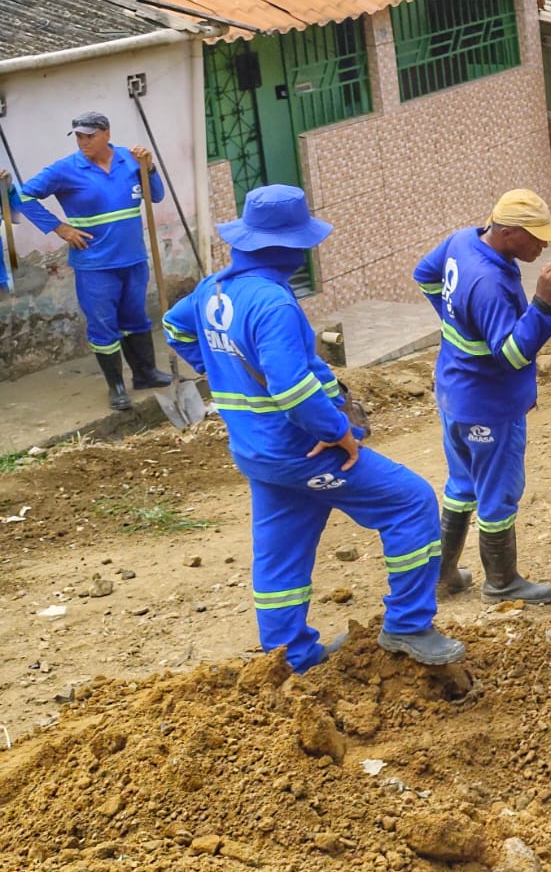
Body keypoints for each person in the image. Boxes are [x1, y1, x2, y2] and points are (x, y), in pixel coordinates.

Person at [164, 185, 464, 670]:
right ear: (286, 248)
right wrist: (336, 431)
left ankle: (289, 656)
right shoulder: (274, 305)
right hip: (302, 448)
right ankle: (408, 625)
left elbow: (174, 327)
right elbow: (291, 389)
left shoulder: (213, 289)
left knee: (280, 554)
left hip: (257, 452)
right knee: (411, 502)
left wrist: (220, 372)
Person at [414, 190, 551, 605]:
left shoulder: (462, 240)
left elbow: (424, 275)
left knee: (462, 483)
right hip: (487, 403)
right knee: (498, 490)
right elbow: (511, 354)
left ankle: (442, 575)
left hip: (455, 393)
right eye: (535, 237)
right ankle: (501, 582)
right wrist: (542, 304)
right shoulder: (490, 284)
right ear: (507, 232)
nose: (543, 244)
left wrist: (458, 324)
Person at [5, 112, 171, 410]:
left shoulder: (129, 159)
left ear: (106, 133)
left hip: (133, 259)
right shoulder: (66, 170)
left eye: (89, 136)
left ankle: (145, 374)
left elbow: (155, 196)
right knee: (103, 325)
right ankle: (116, 387)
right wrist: (60, 227)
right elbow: (23, 198)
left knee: (136, 319)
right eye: (79, 136)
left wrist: (151, 167)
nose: (83, 142)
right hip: (95, 265)